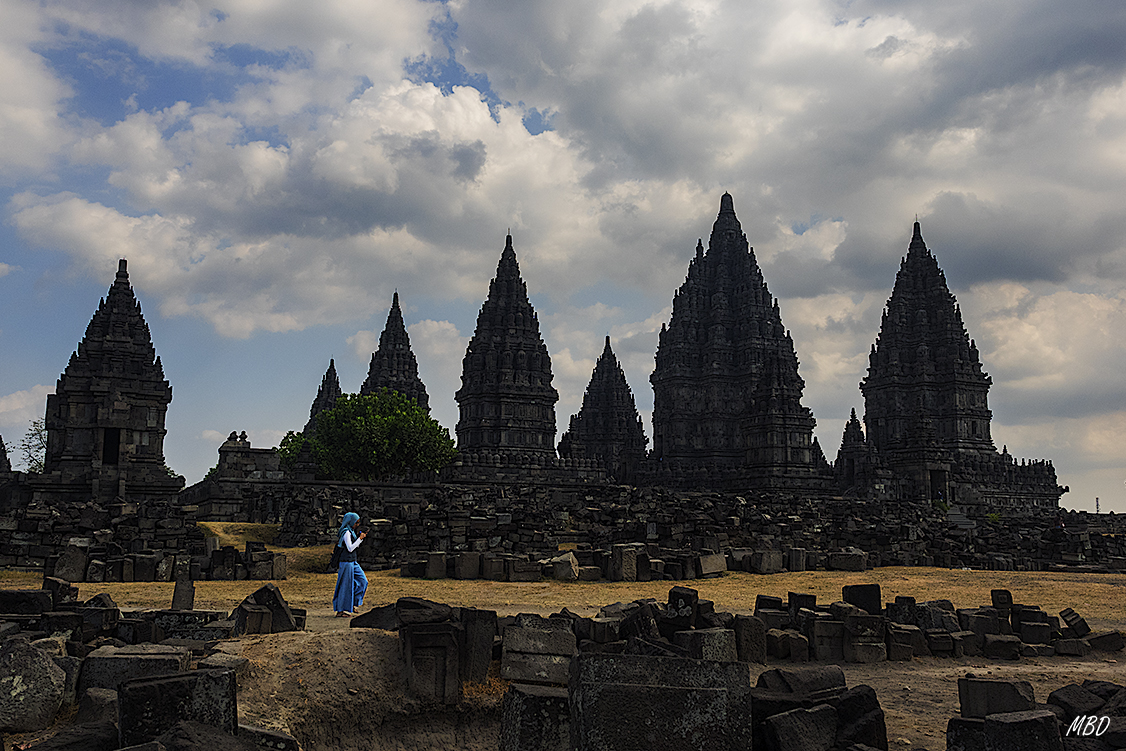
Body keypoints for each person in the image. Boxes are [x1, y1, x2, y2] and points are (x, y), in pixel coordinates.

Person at [333, 512, 368, 617]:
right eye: (356, 522)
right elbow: (350, 548)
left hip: (352, 561)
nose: (357, 524)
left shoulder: (351, 531)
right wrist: (360, 539)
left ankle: (352, 603)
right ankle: (340, 610)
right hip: (346, 562)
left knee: (363, 581)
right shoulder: (346, 532)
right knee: (345, 585)